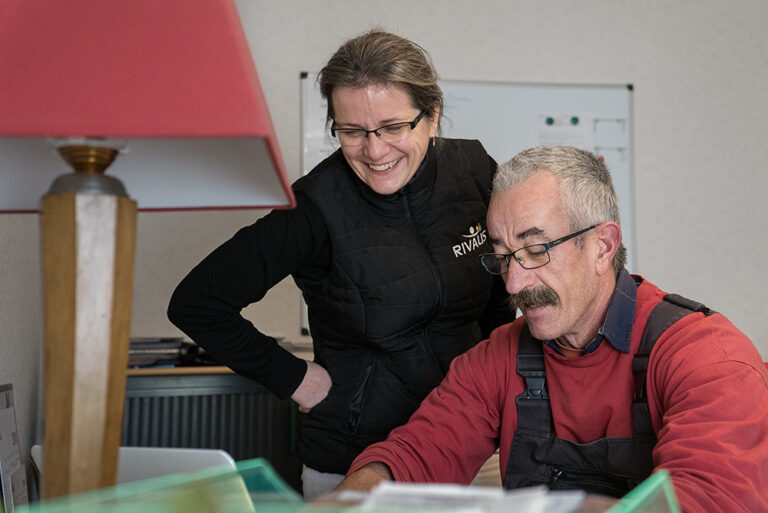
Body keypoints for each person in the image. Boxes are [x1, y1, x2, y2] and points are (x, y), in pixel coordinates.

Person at [166, 29, 513, 500]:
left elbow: (499, 286)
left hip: (471, 443)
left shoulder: (473, 169)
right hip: (354, 456)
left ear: (432, 116)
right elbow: (197, 303)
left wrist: (501, 383)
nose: (375, 150)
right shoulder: (315, 207)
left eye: (393, 127)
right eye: (352, 132)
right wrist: (295, 379)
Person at [337, 146, 768, 513]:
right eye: (504, 256)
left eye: (536, 250)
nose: (513, 283)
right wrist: (352, 501)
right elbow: (415, 455)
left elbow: (706, 500)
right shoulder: (498, 358)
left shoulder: (707, 357)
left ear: (602, 246)